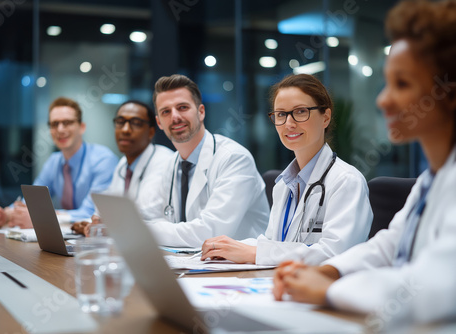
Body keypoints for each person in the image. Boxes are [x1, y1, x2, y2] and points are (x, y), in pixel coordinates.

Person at [273, 0, 456, 328]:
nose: (382, 100)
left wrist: (331, 288)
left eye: (402, 84)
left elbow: (433, 288)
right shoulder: (434, 178)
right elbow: (389, 244)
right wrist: (327, 271)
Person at [201, 74, 373, 265]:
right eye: (281, 114)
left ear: (325, 117)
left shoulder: (346, 181)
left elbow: (336, 254)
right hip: (283, 285)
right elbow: (275, 243)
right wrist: (228, 247)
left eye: (300, 112)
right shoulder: (283, 185)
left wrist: (255, 253)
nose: (289, 124)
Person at [144, 74, 270, 247]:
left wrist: (140, 230)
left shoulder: (234, 158)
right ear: (159, 122)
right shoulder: (171, 164)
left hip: (241, 270)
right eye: (166, 111)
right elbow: (148, 215)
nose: (175, 117)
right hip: (193, 264)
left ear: (201, 111)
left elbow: (210, 232)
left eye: (182, 107)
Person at [0, 97, 118, 228]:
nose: (60, 129)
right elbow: (32, 201)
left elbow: (90, 212)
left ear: (82, 127)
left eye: (67, 122)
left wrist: (42, 218)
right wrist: (6, 213)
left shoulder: (103, 160)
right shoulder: (54, 161)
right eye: (54, 124)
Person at [71, 100, 173, 235]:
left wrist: (107, 221)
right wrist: (92, 222)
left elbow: (150, 211)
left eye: (136, 123)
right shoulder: (123, 164)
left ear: (151, 131)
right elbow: (107, 205)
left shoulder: (165, 160)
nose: (125, 130)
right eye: (120, 122)